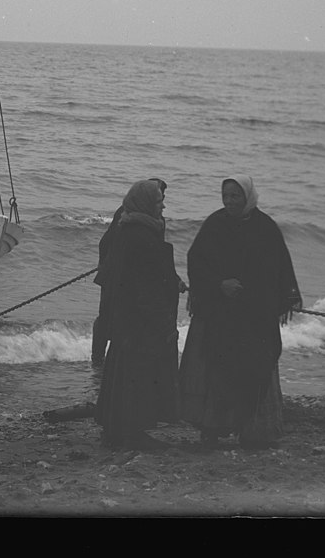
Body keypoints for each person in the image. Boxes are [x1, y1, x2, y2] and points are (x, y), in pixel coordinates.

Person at [179, 176, 302, 450]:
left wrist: (274, 297)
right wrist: (219, 285)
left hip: (254, 318)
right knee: (216, 370)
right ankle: (211, 429)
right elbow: (196, 262)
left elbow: (279, 268)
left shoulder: (265, 228)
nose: (229, 201)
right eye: (226, 195)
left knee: (255, 370)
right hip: (219, 313)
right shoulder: (215, 224)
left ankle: (254, 432)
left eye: (235, 196)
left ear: (248, 197)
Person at [93, 179, 187, 450]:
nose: (163, 206)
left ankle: (115, 429)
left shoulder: (131, 228)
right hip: (139, 321)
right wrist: (161, 319)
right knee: (138, 374)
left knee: (122, 373)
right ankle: (132, 433)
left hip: (127, 318)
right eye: (159, 201)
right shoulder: (141, 235)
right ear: (145, 203)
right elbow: (147, 282)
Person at [92, 178, 168, 367]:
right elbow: (106, 242)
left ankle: (103, 363)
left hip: (116, 275)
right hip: (114, 275)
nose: (163, 204)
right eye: (158, 197)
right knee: (108, 319)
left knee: (112, 320)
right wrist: (105, 266)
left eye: (162, 196)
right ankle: (98, 359)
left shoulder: (154, 219)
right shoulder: (128, 215)